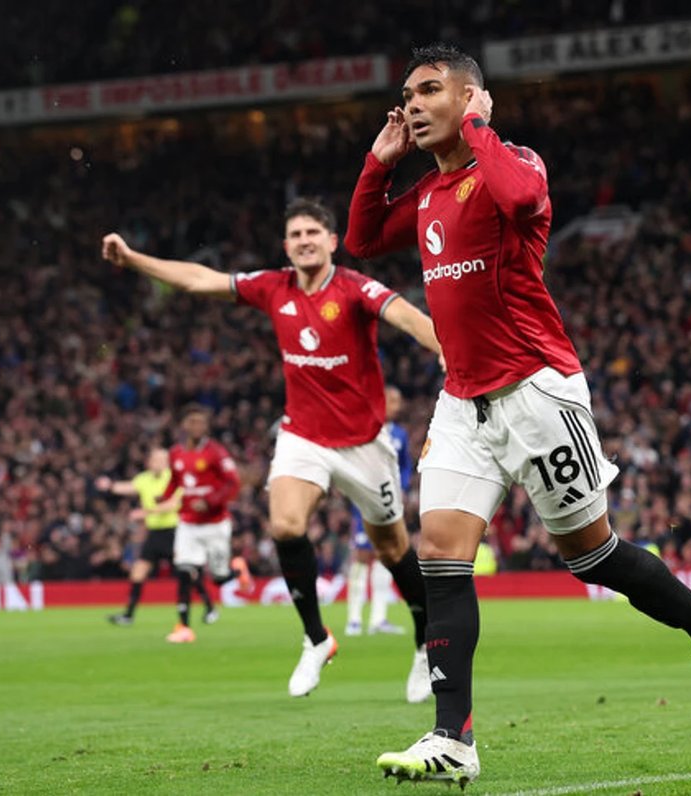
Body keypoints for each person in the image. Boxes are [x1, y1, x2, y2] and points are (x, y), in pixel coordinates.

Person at [345, 43, 691, 787]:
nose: (413, 104)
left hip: (539, 392)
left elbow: (524, 202)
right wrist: (380, 161)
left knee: (592, 556)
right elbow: (362, 240)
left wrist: (478, 129)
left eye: (431, 90)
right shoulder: (429, 194)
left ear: (470, 98)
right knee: (439, 553)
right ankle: (453, 739)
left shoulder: (513, 162)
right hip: (463, 399)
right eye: (407, 94)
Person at [102, 198, 441, 698]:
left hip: (364, 444)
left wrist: (449, 354)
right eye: (295, 234)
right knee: (284, 523)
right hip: (302, 435)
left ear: (331, 241)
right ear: (287, 246)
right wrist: (133, 259)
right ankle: (315, 637)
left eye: (313, 232)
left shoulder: (353, 288)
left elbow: (407, 316)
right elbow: (199, 279)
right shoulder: (273, 286)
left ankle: (424, 643)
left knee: (393, 548)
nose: (304, 240)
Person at [153, 404, 248, 643]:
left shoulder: (216, 452)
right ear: (185, 425)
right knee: (184, 570)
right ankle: (183, 628)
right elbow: (176, 481)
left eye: (201, 423)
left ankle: (238, 570)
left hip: (215, 523)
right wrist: (164, 496)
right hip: (188, 523)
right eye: (193, 422)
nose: (197, 427)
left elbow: (233, 483)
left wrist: (210, 501)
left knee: (218, 578)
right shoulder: (175, 453)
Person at [96, 446, 220, 626]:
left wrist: (145, 512)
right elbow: (129, 487)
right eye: (154, 459)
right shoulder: (144, 479)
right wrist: (110, 486)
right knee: (138, 572)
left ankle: (210, 607)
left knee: (187, 573)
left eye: (161, 460)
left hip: (175, 532)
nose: (157, 463)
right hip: (155, 534)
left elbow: (172, 504)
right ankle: (128, 615)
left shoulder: (174, 478)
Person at [346, 386, 411, 639]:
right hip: (365, 499)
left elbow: (405, 466)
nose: (397, 405)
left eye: (398, 401)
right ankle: (353, 619)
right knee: (362, 557)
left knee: (387, 556)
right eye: (392, 400)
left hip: (392, 502)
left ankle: (378, 618)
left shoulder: (400, 435)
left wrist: (402, 487)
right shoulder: (366, 429)